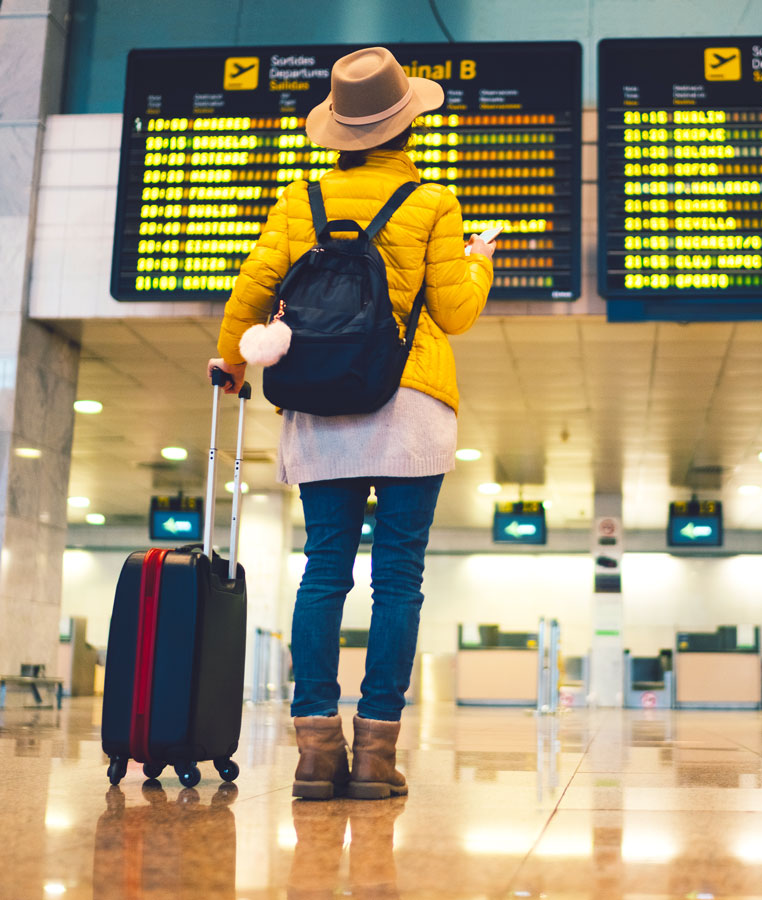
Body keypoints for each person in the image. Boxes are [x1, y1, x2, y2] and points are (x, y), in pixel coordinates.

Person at [207, 46, 494, 800]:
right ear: (407, 127)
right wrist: (480, 260)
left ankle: (313, 751)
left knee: (325, 569)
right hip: (410, 402)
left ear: (339, 131)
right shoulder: (432, 203)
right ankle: (375, 755)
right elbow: (456, 313)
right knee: (398, 577)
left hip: (321, 399)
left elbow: (254, 284)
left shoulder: (299, 200)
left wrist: (231, 363)